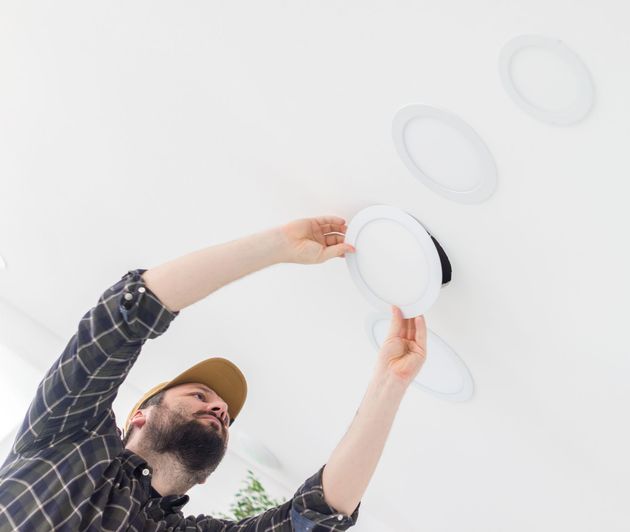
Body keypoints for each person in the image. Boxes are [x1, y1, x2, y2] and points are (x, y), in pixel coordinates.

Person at [0, 216, 427, 531]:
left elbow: (313, 519)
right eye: (202, 396)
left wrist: (390, 383)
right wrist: (276, 246)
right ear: (138, 415)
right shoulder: (67, 438)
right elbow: (123, 318)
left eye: (216, 406)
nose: (221, 408)